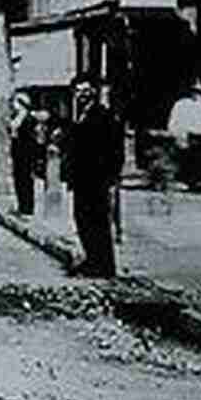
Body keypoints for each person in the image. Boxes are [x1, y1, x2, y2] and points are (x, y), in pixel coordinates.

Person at [65, 72, 124, 278]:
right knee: (82, 220)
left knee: (97, 221)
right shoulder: (79, 115)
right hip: (81, 179)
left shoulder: (102, 116)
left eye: (86, 90)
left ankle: (103, 265)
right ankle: (92, 260)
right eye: (78, 90)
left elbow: (115, 150)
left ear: (94, 92)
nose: (82, 94)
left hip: (95, 179)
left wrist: (111, 177)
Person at [10, 92, 39, 217]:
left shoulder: (28, 119)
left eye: (15, 102)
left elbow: (30, 138)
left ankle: (27, 208)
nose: (13, 105)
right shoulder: (17, 117)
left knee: (26, 180)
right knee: (18, 180)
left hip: (25, 154)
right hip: (18, 154)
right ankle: (21, 206)